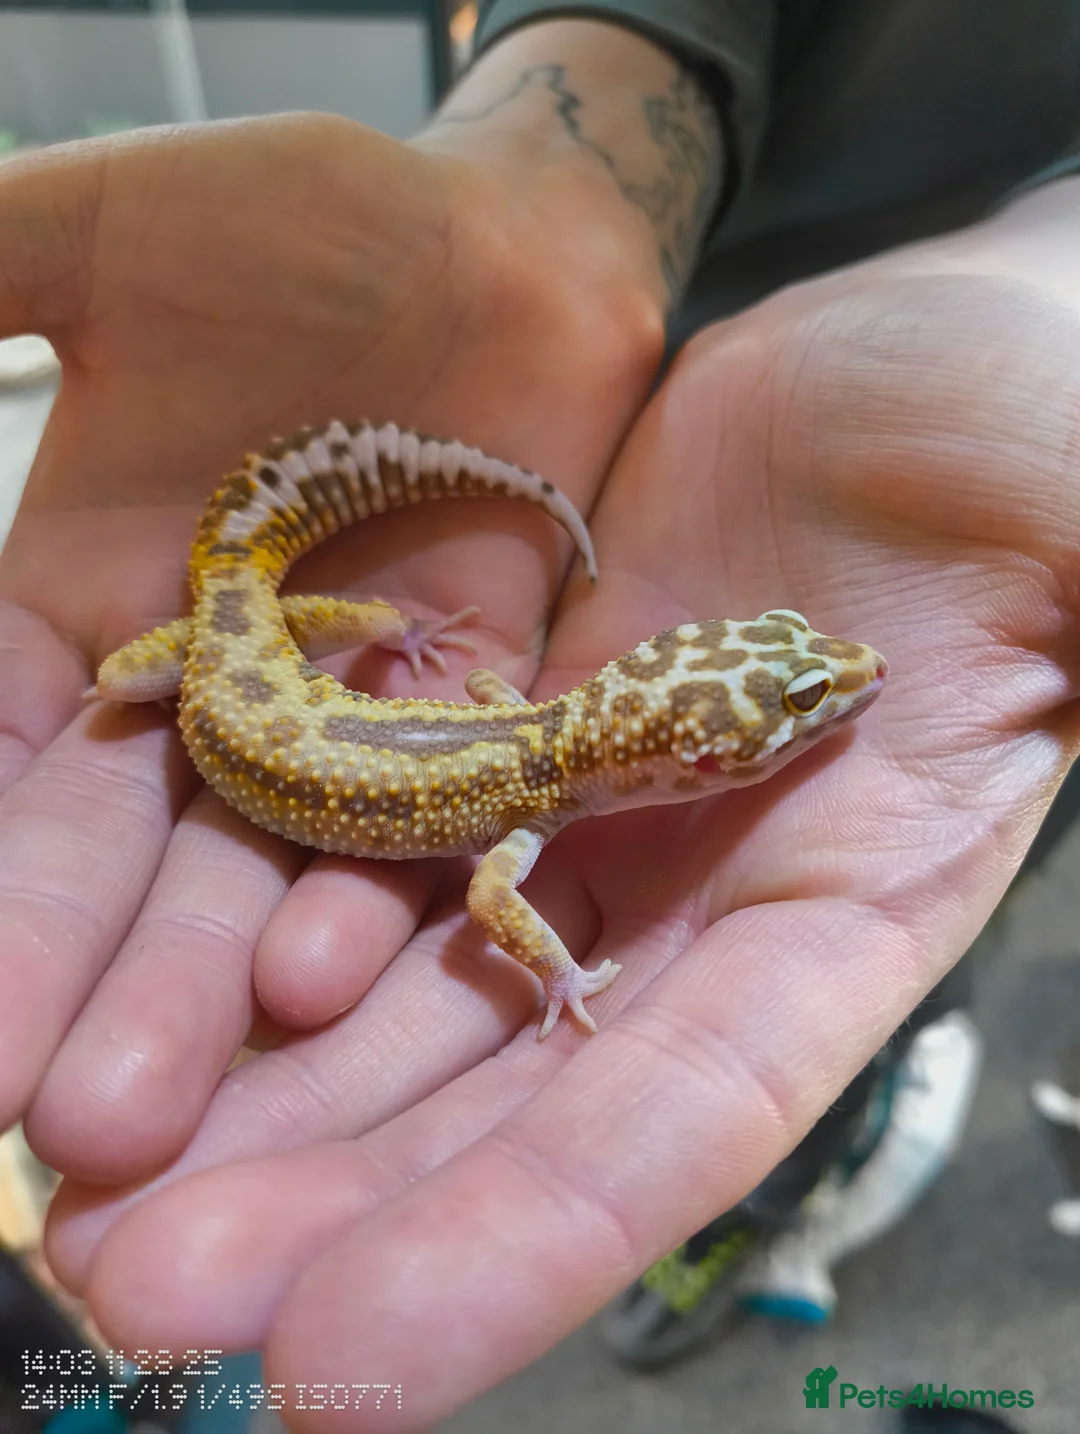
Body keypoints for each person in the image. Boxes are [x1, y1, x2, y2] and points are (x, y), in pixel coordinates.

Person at [2, 2, 1080, 1428]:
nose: (854, 687)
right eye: (805, 698)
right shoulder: (519, 808)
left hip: (282, 624)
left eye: (808, 686)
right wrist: (561, 976)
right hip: (234, 648)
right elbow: (498, 916)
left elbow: (501, 806)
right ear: (689, 744)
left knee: (216, 627)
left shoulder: (536, 747)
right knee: (134, 679)